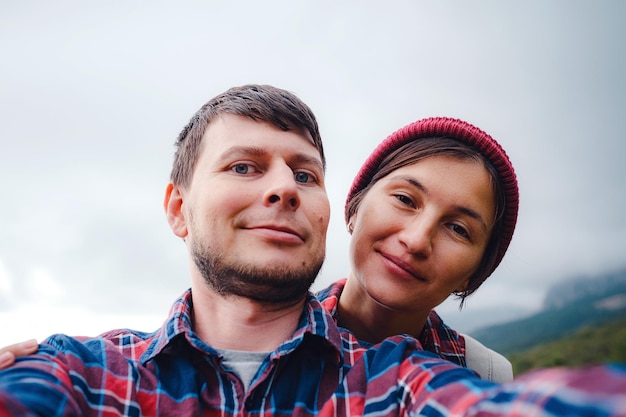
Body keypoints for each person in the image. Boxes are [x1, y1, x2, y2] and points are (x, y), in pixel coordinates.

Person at [1, 86, 626, 416]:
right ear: (353, 211)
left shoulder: (402, 378)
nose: (415, 239)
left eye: (305, 175)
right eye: (245, 166)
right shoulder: (89, 373)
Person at [318, 116, 517, 382]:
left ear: (473, 274)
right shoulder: (259, 335)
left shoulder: (488, 375)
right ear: (355, 208)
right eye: (404, 199)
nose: (416, 241)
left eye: (458, 228)